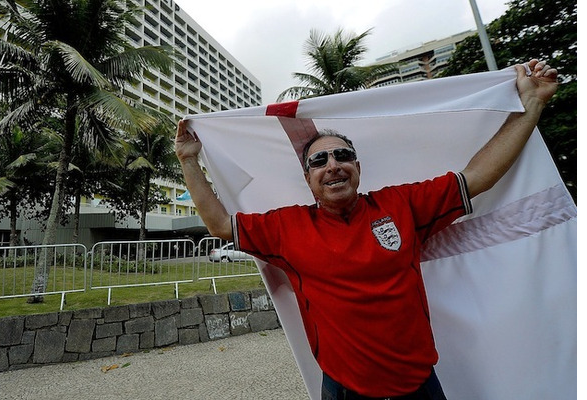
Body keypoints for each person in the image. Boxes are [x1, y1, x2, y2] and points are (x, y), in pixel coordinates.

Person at [175, 59, 558, 400]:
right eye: (319, 160)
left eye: (343, 156)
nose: (333, 165)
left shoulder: (401, 205)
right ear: (308, 178)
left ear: (358, 168)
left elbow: (476, 176)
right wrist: (189, 160)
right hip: (343, 389)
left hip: (420, 386)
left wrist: (533, 104)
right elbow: (221, 225)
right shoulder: (286, 227)